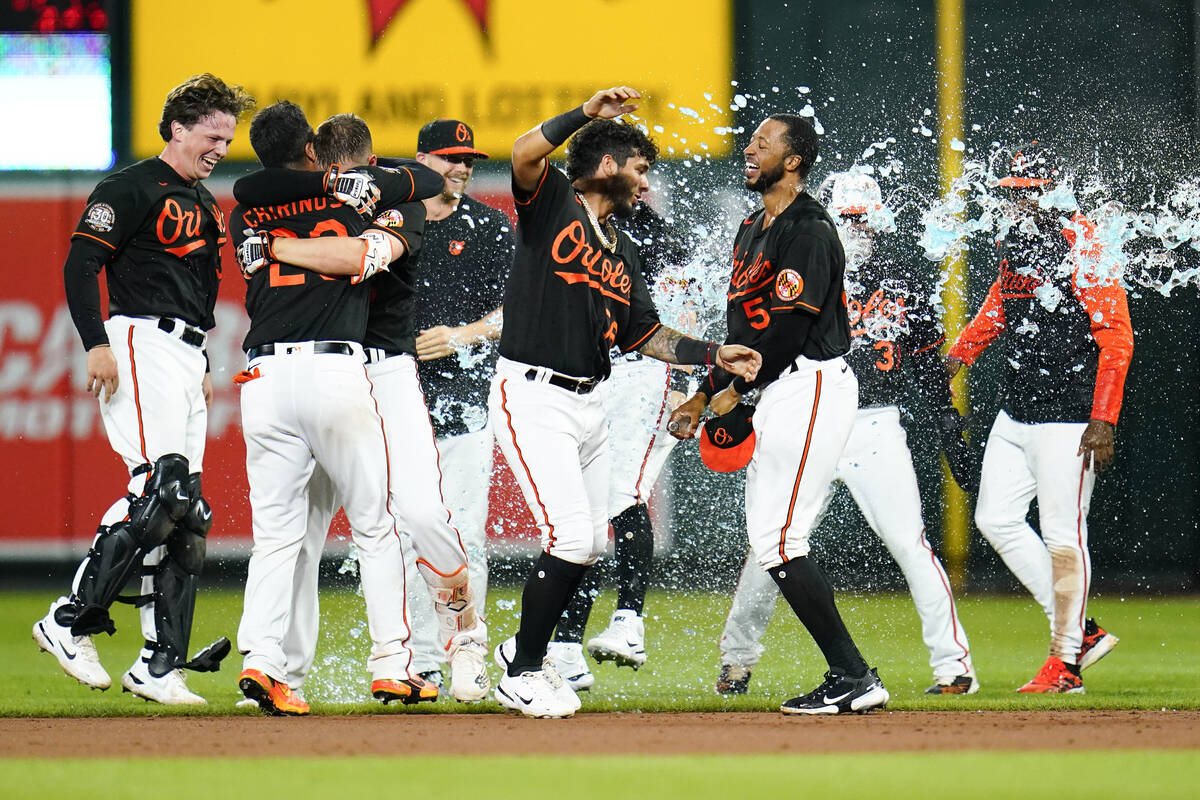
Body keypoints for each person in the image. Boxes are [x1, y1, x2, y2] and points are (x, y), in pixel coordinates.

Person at [490, 86, 762, 718]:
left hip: (592, 404)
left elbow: (646, 334)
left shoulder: (625, 247)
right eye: (640, 169)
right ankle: (526, 671)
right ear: (607, 166)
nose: (646, 184)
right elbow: (524, 152)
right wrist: (585, 114)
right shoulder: (553, 201)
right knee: (567, 535)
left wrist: (712, 354)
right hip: (533, 395)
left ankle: (521, 652)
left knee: (585, 540)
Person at [232, 107, 490, 707]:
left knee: (423, 514)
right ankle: (285, 674)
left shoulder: (397, 199)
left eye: (350, 174)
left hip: (386, 369)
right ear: (317, 164)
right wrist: (321, 200)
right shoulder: (327, 197)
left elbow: (373, 234)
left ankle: (462, 632)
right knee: (305, 535)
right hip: (337, 371)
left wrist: (274, 245)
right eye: (329, 171)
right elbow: (260, 188)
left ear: (368, 166)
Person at [32, 74, 254, 706]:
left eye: (227, 137)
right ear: (177, 128)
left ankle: (160, 666)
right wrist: (95, 342)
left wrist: (204, 360)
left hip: (185, 353)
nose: (220, 147)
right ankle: (69, 619)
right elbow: (81, 264)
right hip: (138, 340)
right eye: (212, 135)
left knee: (190, 515)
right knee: (163, 489)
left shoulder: (206, 203)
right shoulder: (128, 187)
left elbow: (199, 292)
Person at [713, 171, 978, 698]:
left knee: (909, 541)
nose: (856, 229)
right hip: (797, 408)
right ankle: (737, 660)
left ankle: (954, 665)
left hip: (871, 423)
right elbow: (752, 335)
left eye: (863, 219)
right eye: (847, 219)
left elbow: (927, 358)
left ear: (878, 221)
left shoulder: (902, 273)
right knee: (771, 544)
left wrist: (948, 421)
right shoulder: (797, 260)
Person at [670, 115, 889, 716]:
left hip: (810, 382)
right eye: (751, 141)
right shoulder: (751, 228)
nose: (749, 149)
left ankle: (854, 676)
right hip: (780, 387)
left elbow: (789, 329)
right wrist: (701, 391)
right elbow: (744, 331)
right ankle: (850, 673)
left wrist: (736, 393)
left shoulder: (809, 230)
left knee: (780, 539)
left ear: (793, 161)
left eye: (763, 144)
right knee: (772, 541)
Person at [945, 141, 1130, 693]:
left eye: (1027, 195)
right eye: (1013, 194)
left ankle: (1066, 662)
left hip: (1070, 418)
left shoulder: (1086, 243)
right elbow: (1000, 304)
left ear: (1054, 194)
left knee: (1063, 536)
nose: (1017, 204)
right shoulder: (1018, 239)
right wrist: (958, 356)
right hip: (1016, 410)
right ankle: (1083, 632)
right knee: (995, 519)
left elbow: (1115, 337)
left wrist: (1104, 418)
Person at [548, 203, 694, 689]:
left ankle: (629, 623)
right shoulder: (580, 227)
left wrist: (685, 383)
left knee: (618, 499)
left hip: (648, 375)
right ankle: (566, 647)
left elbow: (682, 302)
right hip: (604, 374)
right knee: (587, 514)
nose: (644, 183)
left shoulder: (645, 228)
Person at [399, 119, 513, 688]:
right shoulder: (394, 222)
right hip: (397, 403)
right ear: (422, 160)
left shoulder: (489, 226)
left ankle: (466, 652)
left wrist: (463, 334)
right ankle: (415, 662)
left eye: (468, 158)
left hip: (467, 403)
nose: (462, 167)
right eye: (450, 158)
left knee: (466, 532)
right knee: (400, 535)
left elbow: (521, 311)